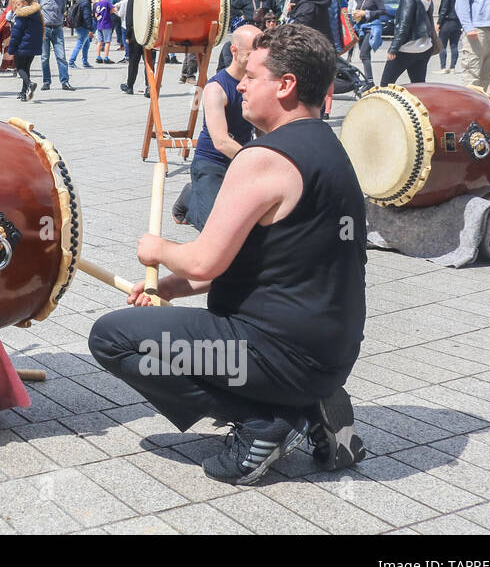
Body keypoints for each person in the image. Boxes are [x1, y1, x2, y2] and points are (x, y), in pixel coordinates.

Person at [89, 24, 368, 485]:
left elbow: (204, 262)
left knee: (112, 337)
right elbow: (253, 260)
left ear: (286, 85)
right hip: (330, 355)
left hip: (272, 353)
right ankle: (306, 401)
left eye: (252, 76)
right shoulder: (329, 148)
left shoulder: (263, 158)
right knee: (147, 329)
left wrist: (156, 248)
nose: (238, 84)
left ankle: (266, 421)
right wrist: (172, 290)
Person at [171, 25, 261, 230]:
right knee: (213, 227)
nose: (258, 58)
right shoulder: (216, 88)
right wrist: (255, 160)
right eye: (251, 53)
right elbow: (221, 141)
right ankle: (190, 196)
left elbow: (263, 127)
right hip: (212, 162)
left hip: (240, 161)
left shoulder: (258, 84)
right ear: (234, 51)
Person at [379, 0, 435, 86]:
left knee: (385, 85)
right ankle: (421, 105)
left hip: (407, 48)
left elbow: (404, 25)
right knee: (419, 86)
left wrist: (394, 48)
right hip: (424, 47)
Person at [345, 0, 386, 85]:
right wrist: (356, 16)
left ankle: (370, 82)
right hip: (361, 28)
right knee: (365, 56)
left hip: (372, 28)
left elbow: (383, 11)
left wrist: (366, 13)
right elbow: (360, 12)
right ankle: (369, 81)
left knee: (363, 54)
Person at [37, 0, 75, 91]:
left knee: (61, 56)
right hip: (45, 29)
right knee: (44, 57)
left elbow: (63, 10)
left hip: (57, 29)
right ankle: (46, 81)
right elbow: (37, 12)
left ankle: (65, 82)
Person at [7, 0, 42, 101]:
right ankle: (23, 92)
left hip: (22, 45)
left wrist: (11, 48)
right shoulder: (36, 13)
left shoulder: (22, 15)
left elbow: (16, 33)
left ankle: (29, 84)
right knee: (26, 68)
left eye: (18, 4)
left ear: (25, 4)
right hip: (32, 45)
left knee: (19, 68)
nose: (16, 6)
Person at [435, 0, 463, 74]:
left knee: (442, 45)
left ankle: (443, 68)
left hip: (447, 22)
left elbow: (444, 9)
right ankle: (452, 68)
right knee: (454, 45)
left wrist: (438, 23)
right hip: (457, 22)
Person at [68, 0, 96, 69]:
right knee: (80, 44)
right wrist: (90, 29)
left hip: (79, 25)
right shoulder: (86, 2)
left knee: (86, 44)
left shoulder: (81, 0)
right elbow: (86, 16)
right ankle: (71, 62)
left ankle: (85, 62)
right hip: (83, 26)